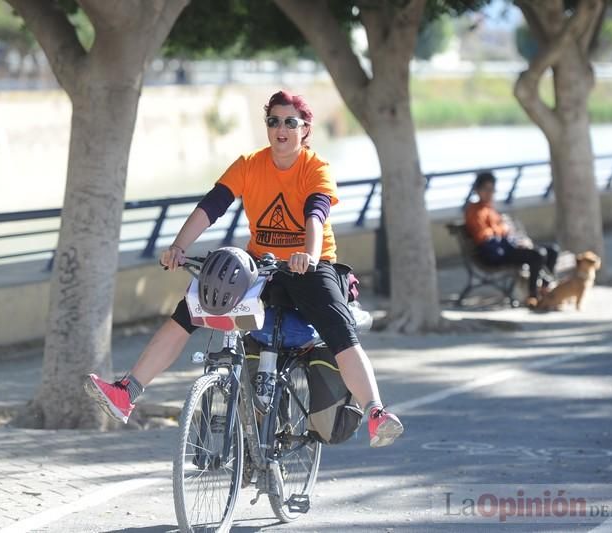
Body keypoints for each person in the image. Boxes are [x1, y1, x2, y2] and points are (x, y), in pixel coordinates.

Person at [85, 90, 404, 448]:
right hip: (263, 268)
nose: (280, 128)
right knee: (192, 306)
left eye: (289, 122)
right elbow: (212, 206)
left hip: (311, 267)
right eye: (273, 121)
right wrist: (178, 247)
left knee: (339, 330)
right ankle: (127, 391)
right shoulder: (249, 164)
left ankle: (376, 412)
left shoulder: (316, 169)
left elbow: (316, 214)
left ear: (305, 129)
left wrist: (309, 256)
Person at [464, 171, 559, 308]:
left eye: (492, 190)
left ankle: (544, 288)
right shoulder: (475, 211)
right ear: (477, 190)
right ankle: (533, 295)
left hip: (505, 248)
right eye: (486, 189)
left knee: (552, 251)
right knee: (537, 255)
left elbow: (503, 230)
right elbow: (483, 236)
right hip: (494, 254)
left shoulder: (489, 209)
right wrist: (502, 230)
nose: (490, 193)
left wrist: (510, 236)